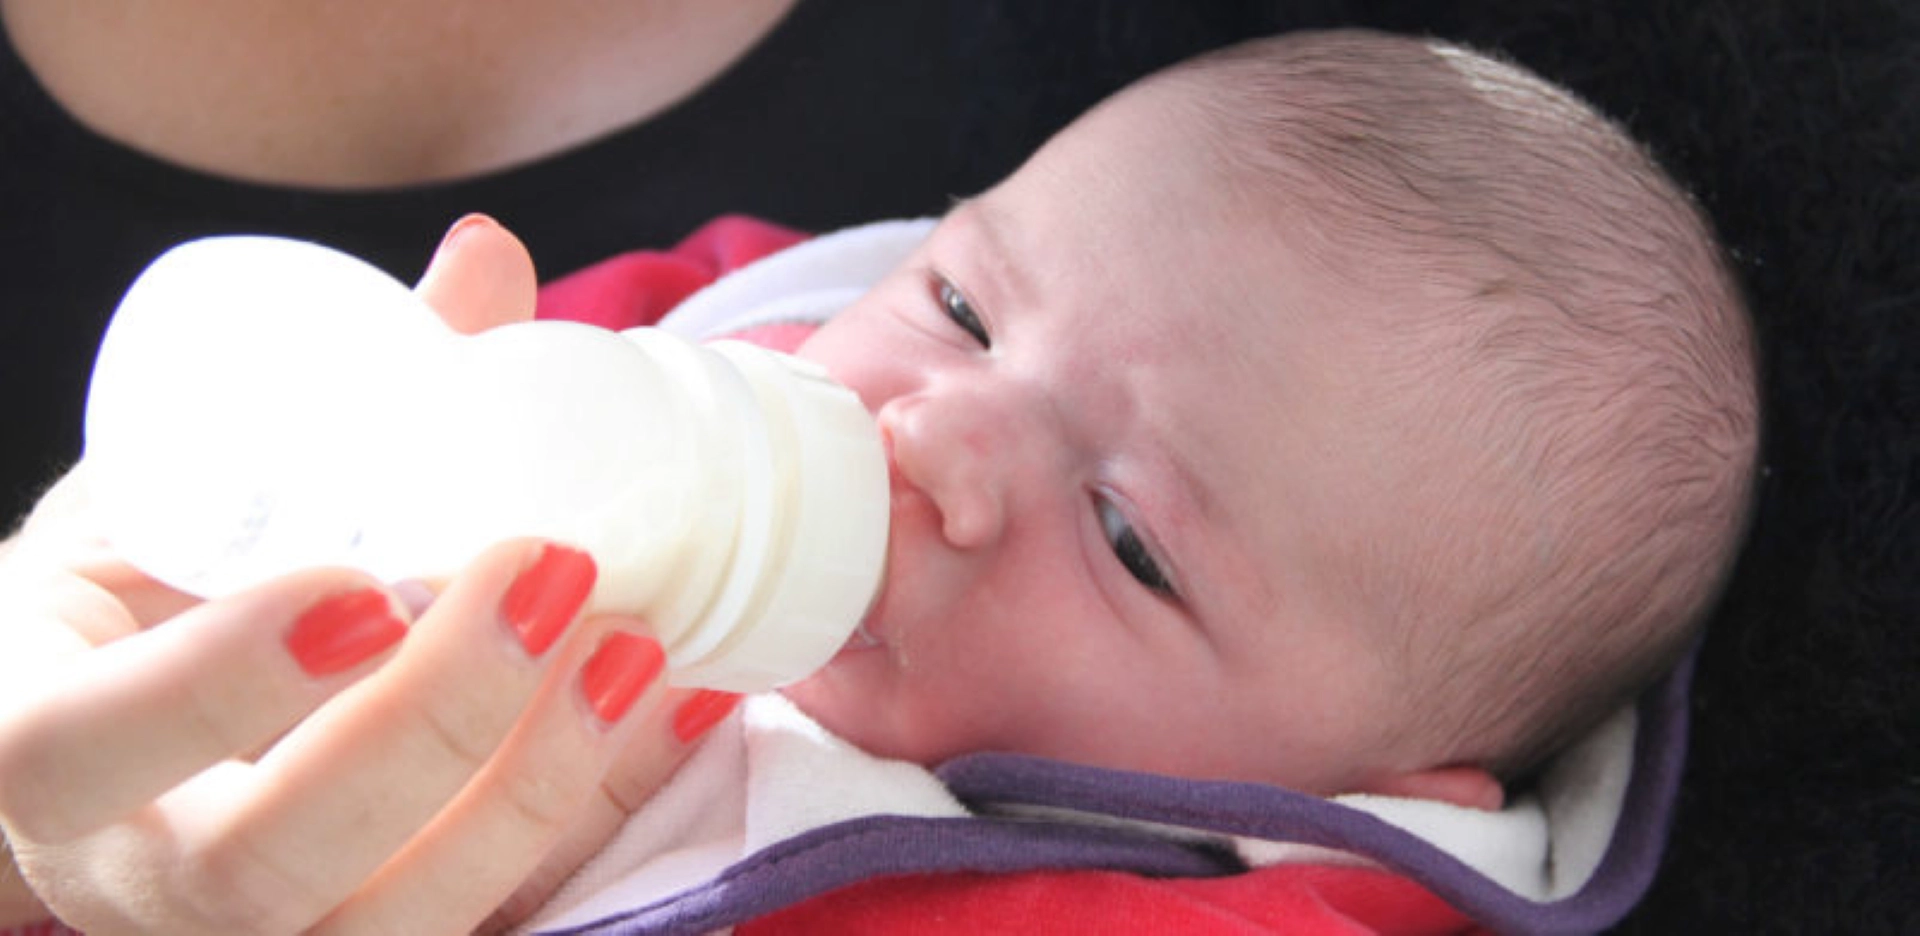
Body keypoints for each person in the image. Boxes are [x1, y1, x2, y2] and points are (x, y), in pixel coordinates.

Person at [0, 28, 1758, 934]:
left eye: (1132, 541)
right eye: (964, 307)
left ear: (1369, 791)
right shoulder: (718, 335)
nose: (938, 439)